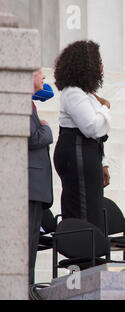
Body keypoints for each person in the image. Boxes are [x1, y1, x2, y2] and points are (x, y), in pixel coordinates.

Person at [53, 40, 111, 232]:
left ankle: (91, 255)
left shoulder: (86, 94)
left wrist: (103, 162)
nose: (101, 68)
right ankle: (82, 258)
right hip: (76, 153)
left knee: (92, 207)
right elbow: (92, 127)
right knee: (83, 209)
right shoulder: (72, 93)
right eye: (99, 63)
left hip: (88, 153)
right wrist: (105, 108)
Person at [28, 68, 53, 284]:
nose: (44, 76)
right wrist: (47, 128)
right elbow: (33, 138)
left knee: (31, 246)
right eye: (39, 72)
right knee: (27, 246)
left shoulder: (31, 103)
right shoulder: (23, 103)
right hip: (30, 187)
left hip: (36, 187)